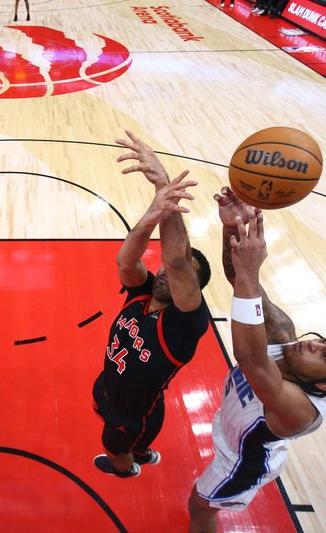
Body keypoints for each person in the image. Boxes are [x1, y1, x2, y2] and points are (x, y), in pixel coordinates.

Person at [187, 188, 326, 532]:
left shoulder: (301, 410)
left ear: (325, 384)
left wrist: (249, 273)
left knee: (199, 506)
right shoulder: (283, 333)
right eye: (325, 341)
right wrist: (231, 229)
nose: (314, 344)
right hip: (234, 426)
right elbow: (238, 279)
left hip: (243, 459)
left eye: (325, 355)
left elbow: (249, 358)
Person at [92, 131, 212, 478]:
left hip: (132, 414)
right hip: (111, 385)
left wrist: (163, 187)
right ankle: (143, 452)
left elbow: (177, 262)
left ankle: (127, 468)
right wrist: (149, 218)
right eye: (161, 270)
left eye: (176, 277)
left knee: (116, 449)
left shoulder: (184, 325)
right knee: (142, 437)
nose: (163, 274)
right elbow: (125, 264)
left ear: (191, 289)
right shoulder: (143, 292)